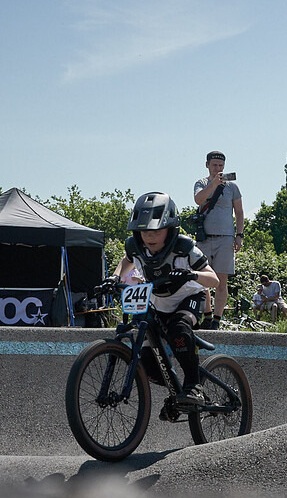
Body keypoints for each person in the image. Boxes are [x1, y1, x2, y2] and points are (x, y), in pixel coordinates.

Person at [104, 192, 219, 407]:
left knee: (178, 328)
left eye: (156, 231)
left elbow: (214, 280)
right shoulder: (135, 246)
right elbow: (126, 260)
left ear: (170, 228)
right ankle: (178, 395)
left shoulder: (185, 247)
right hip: (158, 302)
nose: (150, 237)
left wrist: (192, 275)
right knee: (147, 360)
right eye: (144, 231)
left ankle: (194, 385)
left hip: (188, 297)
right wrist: (114, 277)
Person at [194, 150, 244, 330]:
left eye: (221, 165)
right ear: (207, 165)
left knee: (222, 281)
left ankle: (216, 318)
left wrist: (239, 235)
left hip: (225, 238)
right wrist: (213, 184)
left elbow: (239, 212)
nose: (218, 168)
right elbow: (198, 200)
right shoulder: (201, 183)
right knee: (203, 279)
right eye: (214, 165)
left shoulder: (232, 187)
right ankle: (206, 315)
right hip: (204, 238)